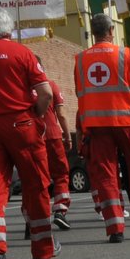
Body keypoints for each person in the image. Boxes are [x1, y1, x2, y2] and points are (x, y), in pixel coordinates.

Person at [0, 9, 57, 259]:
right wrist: (37, 115)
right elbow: (45, 93)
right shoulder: (23, 53)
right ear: (9, 30)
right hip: (22, 125)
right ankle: (43, 249)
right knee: (36, 185)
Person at [73, 13, 130, 241]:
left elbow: (81, 93)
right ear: (110, 31)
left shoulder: (80, 59)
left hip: (97, 126)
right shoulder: (125, 54)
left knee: (107, 176)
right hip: (126, 122)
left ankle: (115, 229)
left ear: (93, 31)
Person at [43, 78, 74, 229]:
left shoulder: (21, 86)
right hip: (52, 135)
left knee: (35, 178)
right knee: (61, 173)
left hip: (30, 135)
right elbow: (61, 114)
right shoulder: (51, 85)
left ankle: (33, 219)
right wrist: (68, 136)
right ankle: (60, 210)